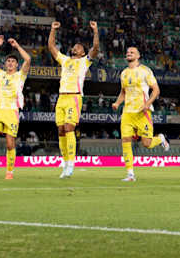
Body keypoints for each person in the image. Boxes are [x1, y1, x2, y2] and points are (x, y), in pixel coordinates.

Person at [47, 19, 99, 179]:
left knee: (69, 128)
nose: (75, 47)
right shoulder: (65, 60)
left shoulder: (84, 62)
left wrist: (95, 31)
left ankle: (71, 163)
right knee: (61, 130)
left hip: (74, 97)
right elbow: (51, 47)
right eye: (75, 46)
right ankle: (65, 162)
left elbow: (96, 48)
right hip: (61, 98)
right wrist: (53, 30)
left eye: (79, 47)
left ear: (83, 52)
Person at [111, 46, 169, 182]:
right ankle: (130, 174)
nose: (128, 53)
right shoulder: (124, 73)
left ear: (138, 56)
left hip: (142, 112)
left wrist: (148, 103)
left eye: (132, 52)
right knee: (125, 140)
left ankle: (160, 139)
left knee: (147, 144)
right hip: (127, 113)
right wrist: (117, 103)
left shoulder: (145, 71)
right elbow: (123, 92)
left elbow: (156, 90)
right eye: (127, 52)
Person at [0, 35, 31, 180]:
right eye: (8, 61)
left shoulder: (20, 76)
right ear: (5, 64)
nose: (10, 63)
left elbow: (28, 60)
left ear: (16, 65)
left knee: (10, 143)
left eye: (13, 61)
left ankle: (9, 171)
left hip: (12, 112)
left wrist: (17, 46)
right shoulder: (1, 74)